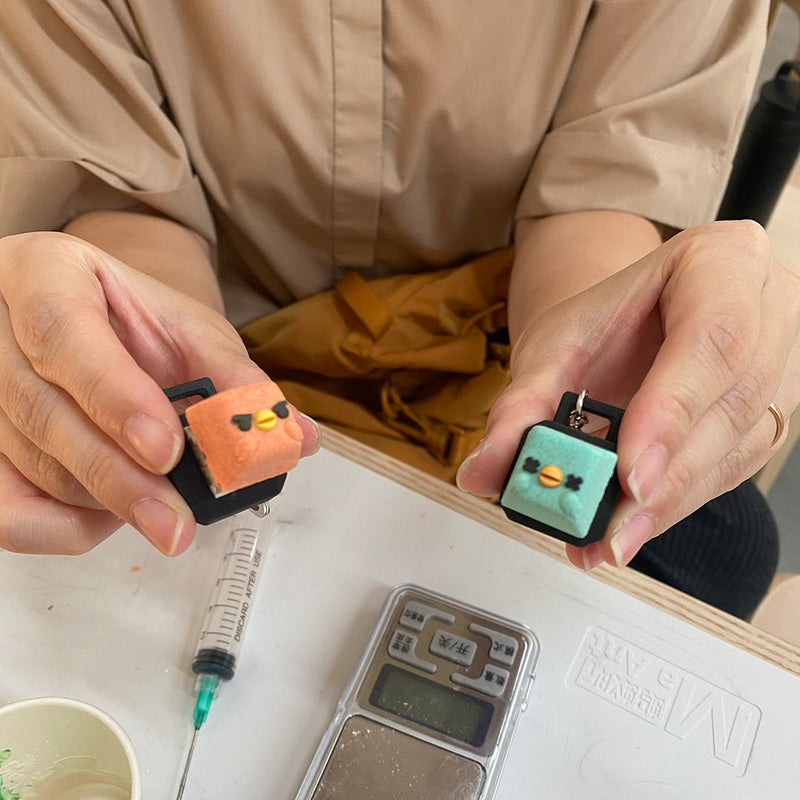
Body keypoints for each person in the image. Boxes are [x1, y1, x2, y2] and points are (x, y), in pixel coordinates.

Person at [0, 1, 797, 618]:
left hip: (495, 336)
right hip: (240, 333)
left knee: (721, 544)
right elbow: (125, 200)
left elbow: (600, 193)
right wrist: (142, 345)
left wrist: (585, 354)